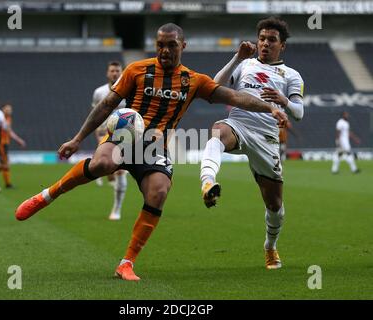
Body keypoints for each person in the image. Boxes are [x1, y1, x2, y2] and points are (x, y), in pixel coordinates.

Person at [15, 23, 287, 281]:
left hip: (155, 147)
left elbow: (234, 97)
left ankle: (126, 264)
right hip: (123, 136)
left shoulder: (193, 81)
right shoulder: (136, 70)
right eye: (160, 45)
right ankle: (48, 195)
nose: (165, 51)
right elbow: (107, 104)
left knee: (158, 191)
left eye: (171, 45)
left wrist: (269, 108)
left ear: (183, 45)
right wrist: (77, 139)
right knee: (102, 164)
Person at [200, 17, 304, 270]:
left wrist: (284, 100)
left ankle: (270, 246)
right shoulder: (244, 64)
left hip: (267, 138)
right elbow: (215, 85)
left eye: (272, 40)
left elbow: (299, 113)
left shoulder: (291, 75)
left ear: (283, 46)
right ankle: (207, 182)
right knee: (217, 131)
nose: (265, 44)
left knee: (275, 205)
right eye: (262, 39)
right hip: (239, 125)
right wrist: (237, 57)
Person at [92, 61, 128, 220]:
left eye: (117, 71)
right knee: (107, 168)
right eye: (112, 71)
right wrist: (98, 134)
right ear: (108, 73)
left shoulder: (130, 90)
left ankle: (117, 209)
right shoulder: (99, 92)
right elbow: (96, 114)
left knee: (120, 171)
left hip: (126, 134)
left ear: (122, 72)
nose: (115, 73)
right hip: (106, 134)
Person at [0, 103, 26, 188]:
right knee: (6, 163)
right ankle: (8, 184)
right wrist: (19, 140)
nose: (9, 111)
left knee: (4, 163)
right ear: (3, 109)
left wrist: (18, 140)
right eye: (7, 109)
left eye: (10, 109)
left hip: (5, 143)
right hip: (0, 143)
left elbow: (9, 131)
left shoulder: (8, 118)